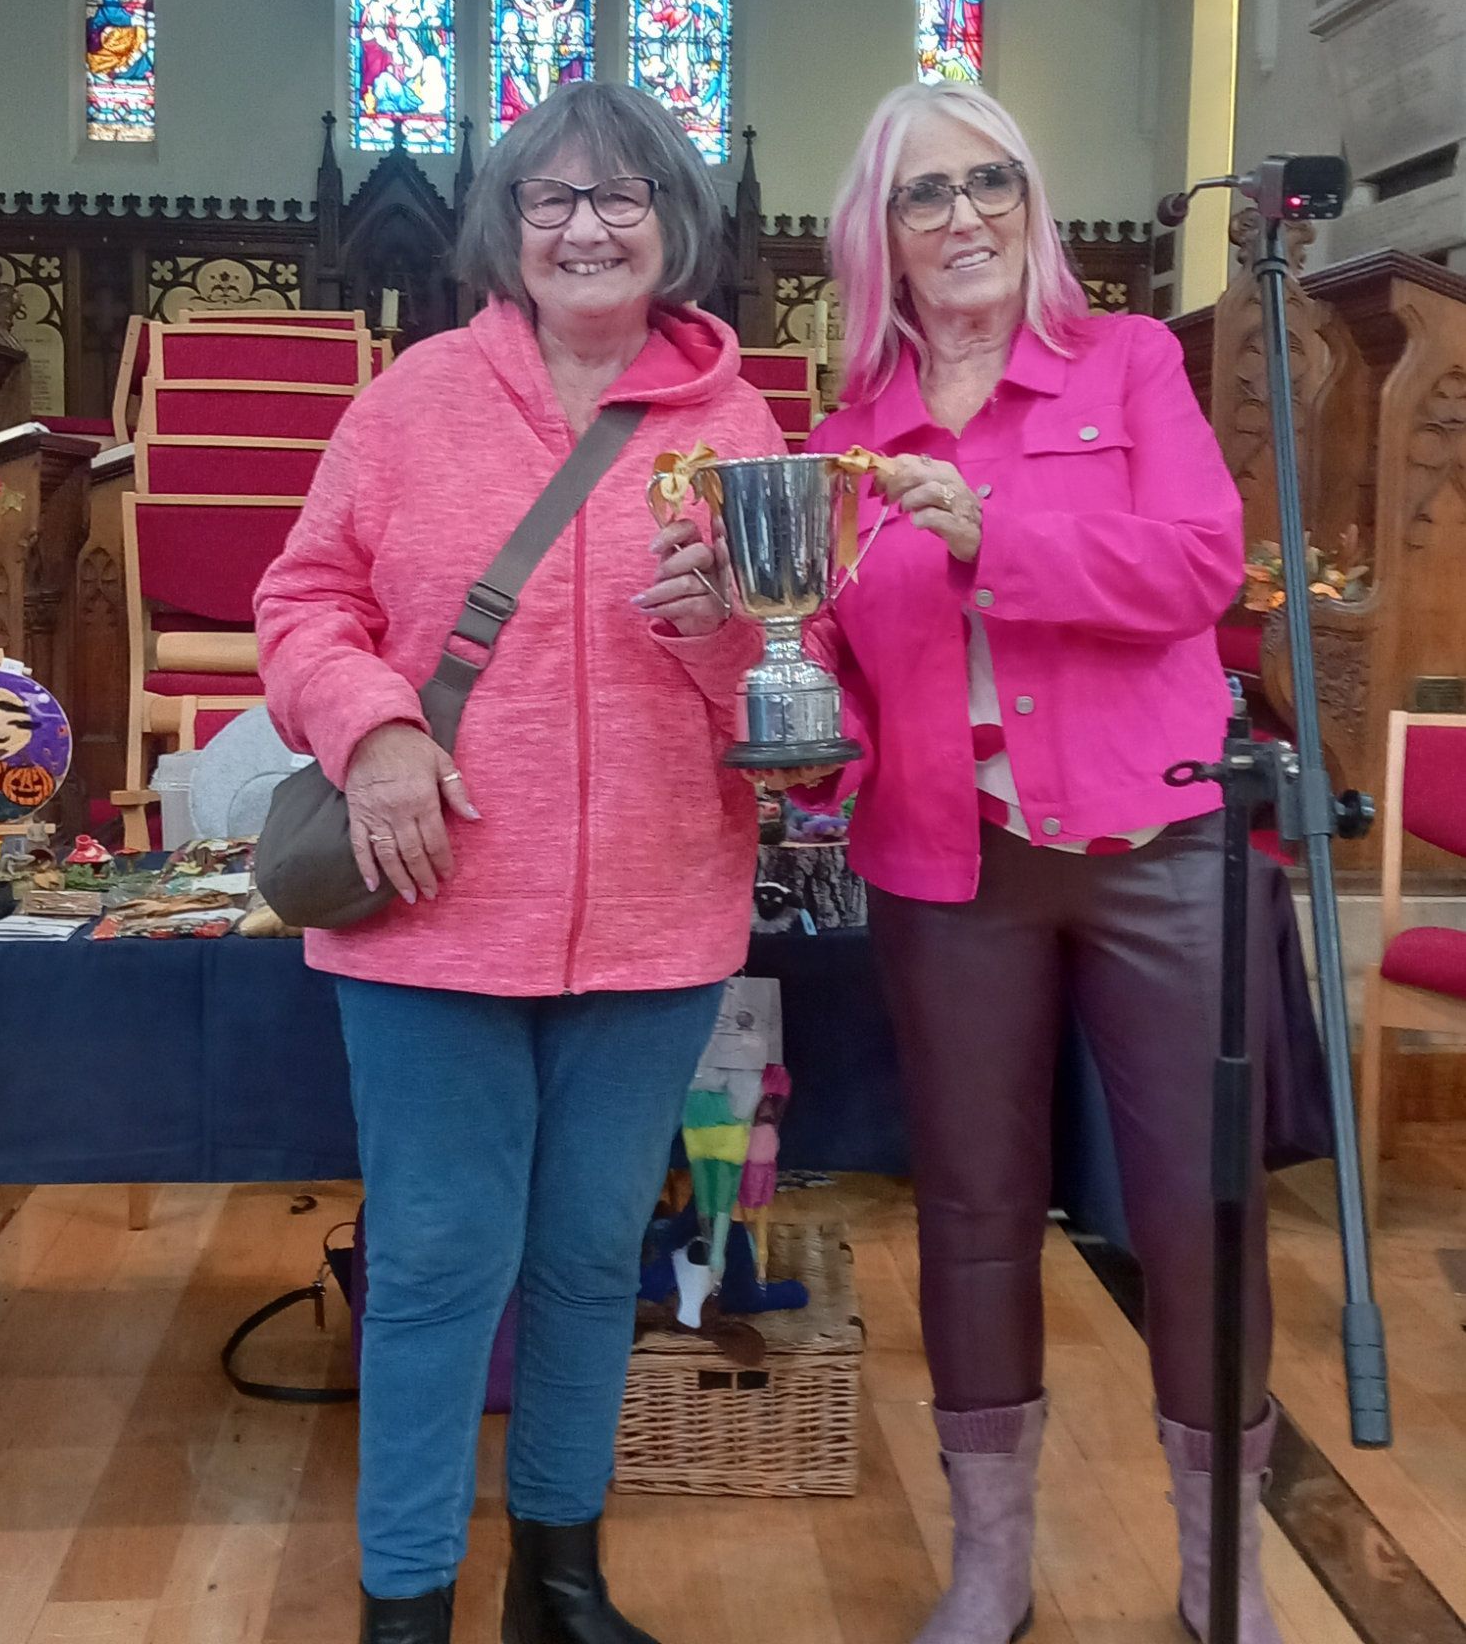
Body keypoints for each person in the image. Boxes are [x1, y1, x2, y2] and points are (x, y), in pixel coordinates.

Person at [254, 81, 784, 1644]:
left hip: (655, 914)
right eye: (551, 199)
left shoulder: (739, 427)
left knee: (586, 1256)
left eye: (622, 196)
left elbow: (779, 691)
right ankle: (406, 1601)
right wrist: (375, 732)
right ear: (507, 227)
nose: (586, 226)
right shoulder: (412, 398)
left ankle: (561, 1581)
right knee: (429, 1263)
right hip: (429, 904)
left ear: (675, 224)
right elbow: (301, 605)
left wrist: (723, 642)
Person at [789, 81, 1281, 1644]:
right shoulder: (846, 434)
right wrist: (805, 734)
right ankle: (991, 1561)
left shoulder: (1129, 365)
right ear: (884, 236)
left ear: (1033, 202)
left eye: (990, 181)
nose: (965, 217)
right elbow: (838, 668)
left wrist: (993, 528)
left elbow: (1202, 563)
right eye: (925, 195)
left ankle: (1226, 1569)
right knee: (975, 1210)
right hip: (955, 860)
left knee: (1200, 1210)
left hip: (1158, 842)